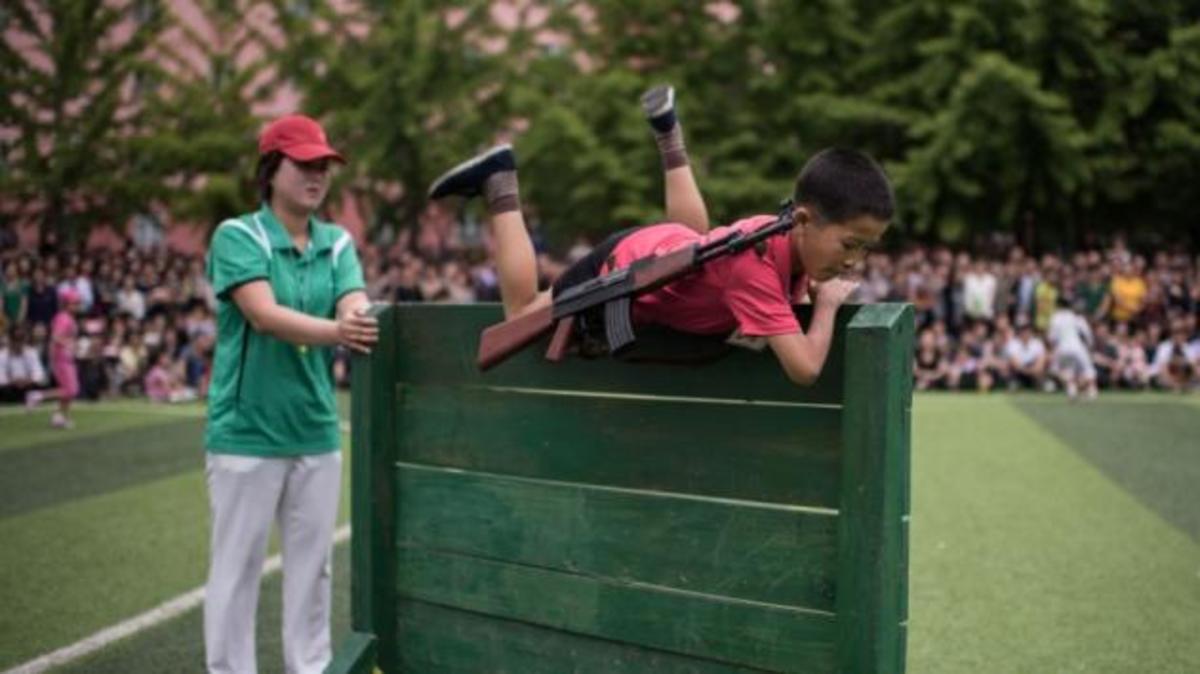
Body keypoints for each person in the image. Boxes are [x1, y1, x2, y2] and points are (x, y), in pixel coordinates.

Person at [427, 86, 892, 386]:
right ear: (805, 220)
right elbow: (805, 369)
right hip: (624, 264)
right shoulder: (755, 267)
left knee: (699, 238)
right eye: (849, 245)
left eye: (865, 249)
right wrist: (827, 305)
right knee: (521, 312)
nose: (854, 262)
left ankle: (670, 134)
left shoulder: (775, 232)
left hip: (669, 245)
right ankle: (499, 182)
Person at [202, 113, 378, 674]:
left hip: (316, 429)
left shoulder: (337, 242)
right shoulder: (237, 234)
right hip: (246, 433)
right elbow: (262, 315)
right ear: (271, 168)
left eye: (323, 165)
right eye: (304, 163)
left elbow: (354, 299)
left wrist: (356, 315)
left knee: (314, 569)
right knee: (236, 570)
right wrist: (340, 331)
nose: (317, 174)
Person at [25, 287, 81, 427]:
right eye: (73, 303)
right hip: (61, 358)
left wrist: (70, 345)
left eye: (76, 303)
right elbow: (55, 336)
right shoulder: (63, 317)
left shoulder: (67, 317)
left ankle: (61, 417)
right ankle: (37, 396)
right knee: (70, 390)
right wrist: (68, 344)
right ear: (66, 303)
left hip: (67, 357)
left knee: (70, 390)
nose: (76, 306)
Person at [1046, 297, 1098, 400]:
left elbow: (1051, 338)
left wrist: (1052, 350)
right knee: (1088, 369)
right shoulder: (1075, 316)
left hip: (1062, 348)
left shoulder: (1055, 317)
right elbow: (1087, 333)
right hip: (1077, 347)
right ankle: (1092, 391)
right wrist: (1090, 346)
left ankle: (1072, 390)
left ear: (1058, 306)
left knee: (1064, 370)